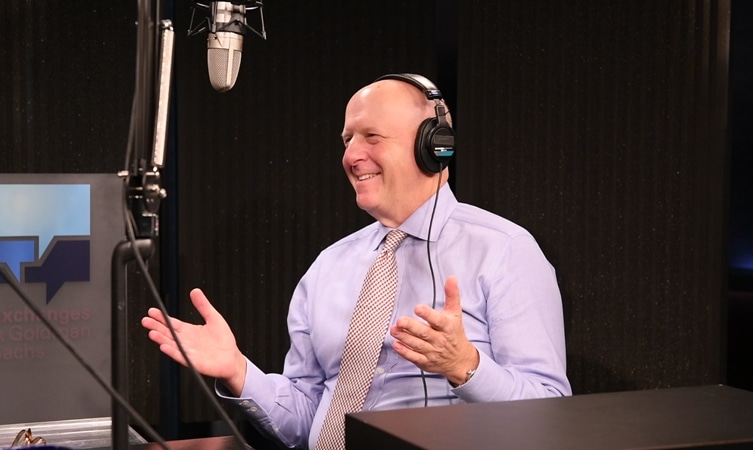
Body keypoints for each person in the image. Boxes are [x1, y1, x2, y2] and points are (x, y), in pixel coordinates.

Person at [142, 73, 571, 449]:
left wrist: (464, 367)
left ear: (433, 145)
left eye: (372, 137)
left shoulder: (505, 250)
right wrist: (239, 371)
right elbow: (306, 421)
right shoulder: (328, 266)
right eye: (348, 140)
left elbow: (549, 413)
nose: (351, 156)